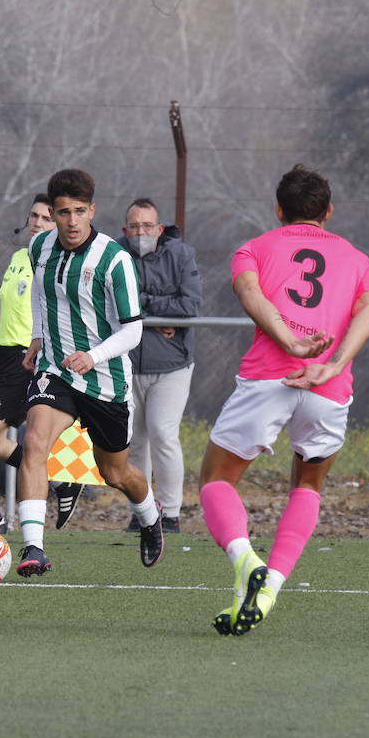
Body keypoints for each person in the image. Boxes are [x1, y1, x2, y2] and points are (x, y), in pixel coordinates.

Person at [199, 165, 369, 635]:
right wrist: (334, 363)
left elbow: (249, 292)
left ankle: (245, 561)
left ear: (279, 210)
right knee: (307, 485)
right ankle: (270, 586)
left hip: (268, 379)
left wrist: (290, 341)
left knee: (216, 479)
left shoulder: (255, 247)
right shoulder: (359, 260)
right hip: (328, 388)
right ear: (329, 212)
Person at [15, 168, 164, 576]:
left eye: (80, 211)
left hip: (105, 381)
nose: (72, 221)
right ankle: (33, 548)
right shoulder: (40, 248)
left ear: (92, 210)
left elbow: (133, 330)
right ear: (53, 213)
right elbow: (44, 298)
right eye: (63, 213)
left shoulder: (114, 260)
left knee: (115, 473)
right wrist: (37, 337)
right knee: (34, 444)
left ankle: (150, 519)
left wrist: (93, 356)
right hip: (57, 371)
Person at [0, 195, 85, 532]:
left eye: (46, 218)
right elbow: (6, 309)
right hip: (4, 356)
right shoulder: (18, 258)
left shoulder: (52, 263)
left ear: (57, 224)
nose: (38, 223)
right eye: (34, 216)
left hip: (26, 359)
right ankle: (58, 481)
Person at [116, 198, 201, 533]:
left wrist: (146, 308)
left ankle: (170, 513)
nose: (141, 232)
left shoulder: (181, 255)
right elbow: (110, 302)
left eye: (147, 226)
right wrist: (157, 316)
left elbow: (190, 304)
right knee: (134, 441)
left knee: (164, 434)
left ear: (159, 228)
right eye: (135, 226)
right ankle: (144, 512)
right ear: (125, 229)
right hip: (125, 364)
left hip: (172, 364)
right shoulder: (114, 254)